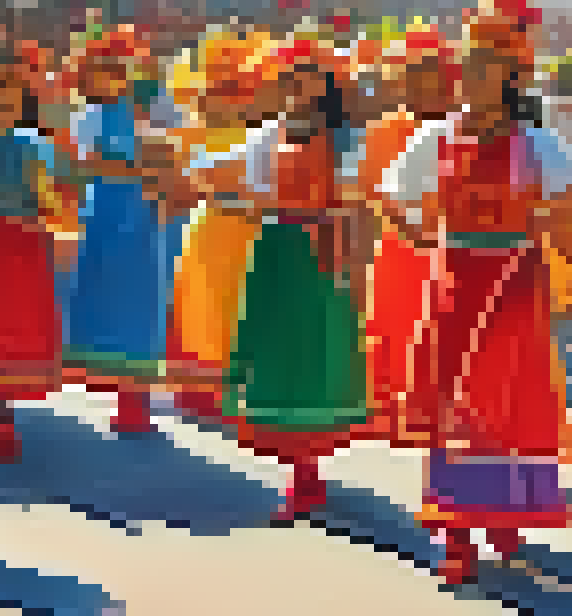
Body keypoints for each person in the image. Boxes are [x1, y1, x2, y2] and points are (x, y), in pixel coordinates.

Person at [379, 0, 572, 585]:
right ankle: (456, 529)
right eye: (467, 64)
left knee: (505, 397)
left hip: (513, 281)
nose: (470, 76)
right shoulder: (436, 137)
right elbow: (392, 194)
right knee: (453, 397)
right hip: (454, 277)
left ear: (511, 77)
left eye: (484, 66)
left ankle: (504, 512)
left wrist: (537, 216)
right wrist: (420, 234)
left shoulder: (534, 141)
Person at [193, 41, 371, 523]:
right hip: (275, 249)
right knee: (277, 349)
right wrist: (184, 169)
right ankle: (298, 465)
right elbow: (231, 171)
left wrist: (354, 263)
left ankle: (306, 469)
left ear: (327, 85)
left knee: (311, 354)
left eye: (309, 77)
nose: (298, 87)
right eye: (291, 78)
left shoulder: (345, 137)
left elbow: (354, 201)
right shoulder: (270, 133)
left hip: (319, 250)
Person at [63, 27, 194, 432]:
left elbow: (180, 148)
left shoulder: (158, 106)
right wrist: (141, 167)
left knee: (145, 305)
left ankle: (135, 401)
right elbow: (82, 167)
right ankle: (122, 392)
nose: (113, 75)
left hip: (146, 216)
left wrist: (156, 166)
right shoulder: (90, 116)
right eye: (103, 68)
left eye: (120, 66)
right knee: (110, 302)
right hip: (105, 215)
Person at [0, 48, 74, 463]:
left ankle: (5, 403)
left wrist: (51, 220)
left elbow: (49, 197)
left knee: (19, 318)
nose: (2, 109)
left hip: (22, 239)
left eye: (9, 102)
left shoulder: (32, 144)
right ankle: (0, 409)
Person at [165, 31, 270, 422]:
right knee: (204, 306)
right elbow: (183, 182)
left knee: (239, 305)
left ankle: (235, 387)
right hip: (210, 225)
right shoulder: (192, 134)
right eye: (219, 90)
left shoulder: (258, 135)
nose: (227, 99)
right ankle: (200, 389)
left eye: (236, 90)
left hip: (248, 228)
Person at [360, 28, 459, 444]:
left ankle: (434, 412)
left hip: (452, 247)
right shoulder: (384, 129)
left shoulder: (465, 126)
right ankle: (394, 413)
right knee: (395, 327)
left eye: (434, 74)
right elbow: (373, 193)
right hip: (400, 247)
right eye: (414, 75)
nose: (424, 84)